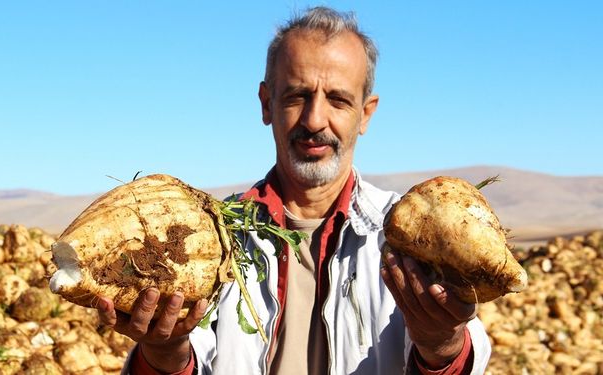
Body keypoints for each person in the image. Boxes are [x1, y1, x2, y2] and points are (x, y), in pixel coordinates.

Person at [97, 6, 491, 375]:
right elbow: (184, 355)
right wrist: (165, 350)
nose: (315, 120)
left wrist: (441, 342)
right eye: (297, 96)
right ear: (267, 103)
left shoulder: (409, 237)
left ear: (365, 113)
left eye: (338, 100)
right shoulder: (209, 238)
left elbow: (464, 354)